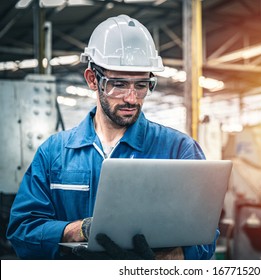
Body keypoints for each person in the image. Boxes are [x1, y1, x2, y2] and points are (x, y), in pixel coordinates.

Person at [6, 14, 218, 260]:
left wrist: (167, 259)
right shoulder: (54, 153)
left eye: (141, 85)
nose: (131, 98)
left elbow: (205, 238)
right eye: (118, 83)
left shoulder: (180, 150)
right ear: (92, 79)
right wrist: (78, 230)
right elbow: (21, 231)